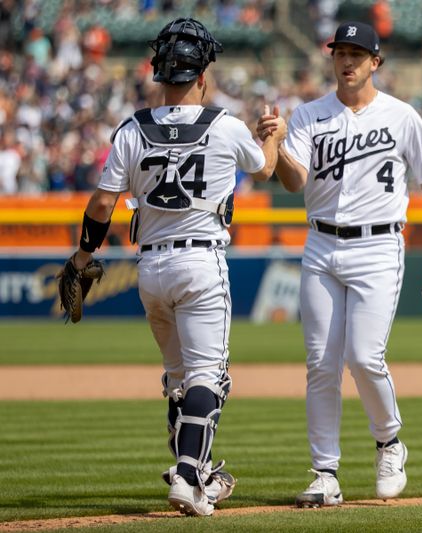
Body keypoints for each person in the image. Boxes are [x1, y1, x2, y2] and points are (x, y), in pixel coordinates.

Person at [63, 18, 286, 516]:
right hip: (201, 260)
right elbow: (267, 169)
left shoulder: (132, 128)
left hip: (151, 269)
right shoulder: (226, 125)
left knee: (178, 378)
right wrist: (272, 134)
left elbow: (101, 205)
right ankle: (187, 477)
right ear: (202, 74)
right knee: (211, 377)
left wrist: (82, 257)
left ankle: (199, 472)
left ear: (158, 73)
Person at [258, 21, 422, 507]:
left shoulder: (401, 116)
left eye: (358, 53)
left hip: (377, 248)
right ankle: (325, 473)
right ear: (331, 59)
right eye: (341, 52)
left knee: (363, 356)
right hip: (320, 245)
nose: (348, 60)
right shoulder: (310, 115)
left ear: (376, 62)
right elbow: (292, 181)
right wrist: (274, 140)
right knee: (320, 364)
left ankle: (389, 442)